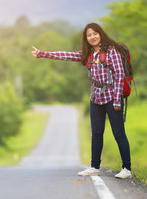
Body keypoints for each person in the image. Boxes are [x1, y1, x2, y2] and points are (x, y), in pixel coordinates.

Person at [31, 22, 132, 179]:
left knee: (118, 133)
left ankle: (127, 169)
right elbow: (65, 55)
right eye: (89, 35)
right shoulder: (88, 54)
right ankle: (94, 166)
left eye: (95, 33)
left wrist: (118, 101)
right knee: (96, 133)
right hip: (95, 97)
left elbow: (119, 74)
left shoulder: (112, 51)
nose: (92, 37)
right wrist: (42, 53)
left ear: (101, 34)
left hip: (113, 97)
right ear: (86, 38)